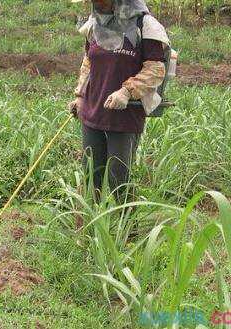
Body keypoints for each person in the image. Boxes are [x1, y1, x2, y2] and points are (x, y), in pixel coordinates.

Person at [68, 0, 170, 203]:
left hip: (125, 116)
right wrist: (80, 96)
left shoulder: (145, 25)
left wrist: (127, 91)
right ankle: (90, 230)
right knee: (91, 176)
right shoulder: (95, 24)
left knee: (119, 179)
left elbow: (155, 69)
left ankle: (127, 232)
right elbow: (88, 62)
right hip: (93, 111)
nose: (97, 4)